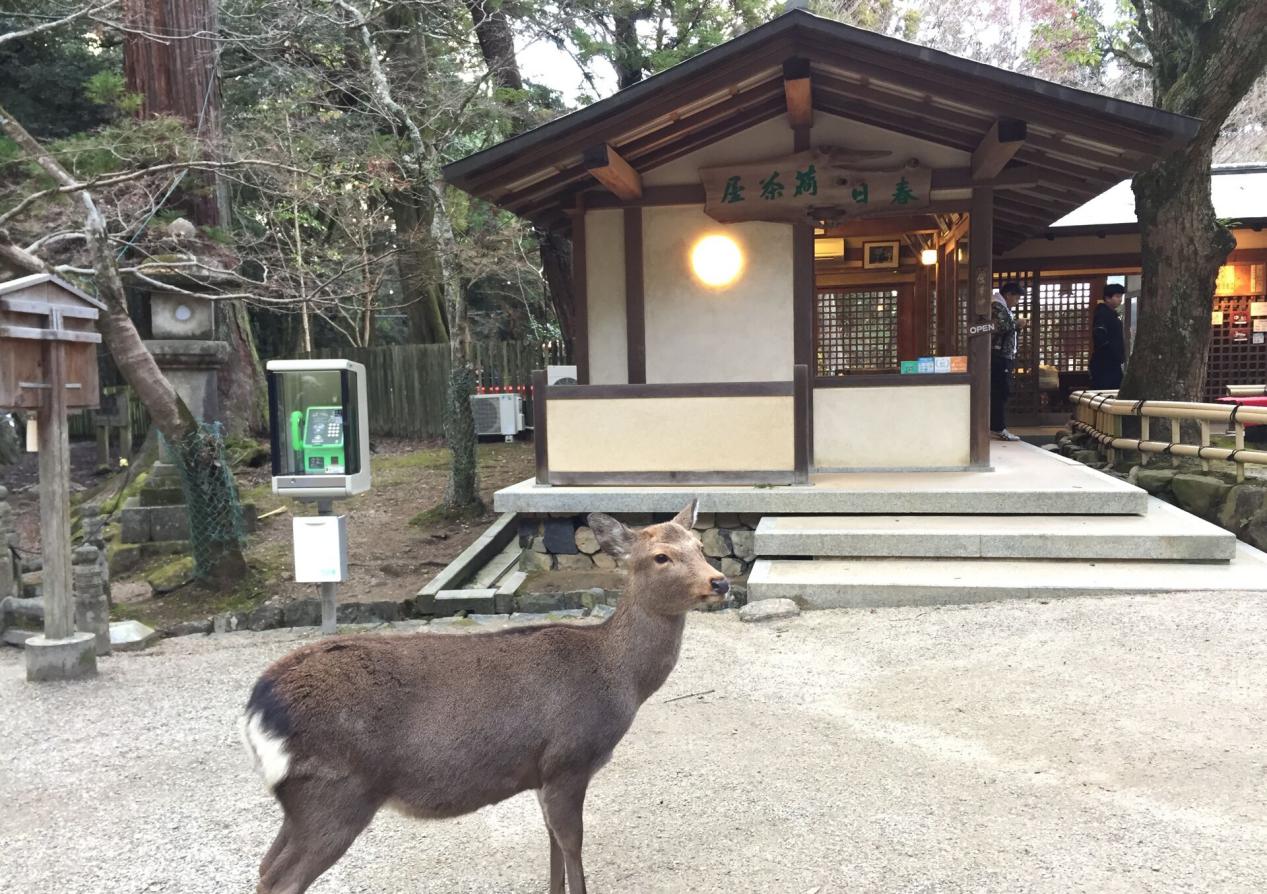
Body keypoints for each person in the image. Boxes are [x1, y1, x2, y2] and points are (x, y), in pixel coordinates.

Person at [990, 281, 1022, 441]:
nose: (1016, 303)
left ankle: (997, 425)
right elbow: (1000, 327)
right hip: (999, 355)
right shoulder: (996, 306)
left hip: (1003, 355)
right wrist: (1017, 324)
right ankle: (998, 427)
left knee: (1000, 391)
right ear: (1008, 295)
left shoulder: (1002, 307)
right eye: (1016, 299)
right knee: (999, 391)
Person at [1090, 283, 1127, 390]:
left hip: (1113, 360)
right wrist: (1111, 350)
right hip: (1105, 362)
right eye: (1117, 296)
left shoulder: (1112, 314)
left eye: (1121, 297)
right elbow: (1099, 335)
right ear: (1107, 298)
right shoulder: (1102, 314)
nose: (1120, 300)